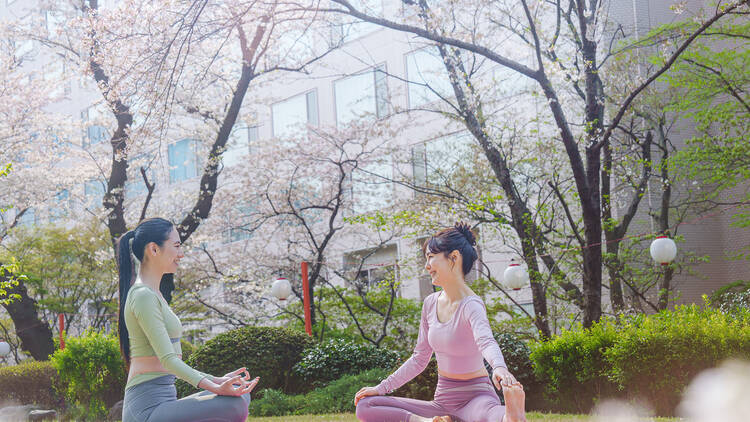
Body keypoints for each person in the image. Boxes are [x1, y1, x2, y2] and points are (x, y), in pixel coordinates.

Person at [354, 222, 527, 422]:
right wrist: (380, 388)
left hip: (476, 398)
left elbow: (486, 341)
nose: (426, 266)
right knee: (367, 404)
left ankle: (511, 417)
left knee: (488, 414)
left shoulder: (472, 305)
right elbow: (420, 358)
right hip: (442, 403)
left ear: (454, 257)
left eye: (430, 257)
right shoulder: (430, 303)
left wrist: (499, 367)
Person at [118, 218, 258, 422]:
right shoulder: (143, 296)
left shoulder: (153, 294)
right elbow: (169, 360)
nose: (181, 254)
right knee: (235, 405)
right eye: (176, 246)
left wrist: (220, 380)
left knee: (240, 393)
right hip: (146, 411)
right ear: (154, 249)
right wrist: (216, 386)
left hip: (165, 401)